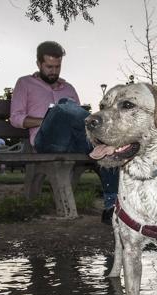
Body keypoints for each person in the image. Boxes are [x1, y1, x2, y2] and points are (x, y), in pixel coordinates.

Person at [9, 41, 118, 224]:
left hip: (73, 141)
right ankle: (97, 128)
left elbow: (77, 120)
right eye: (49, 66)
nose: (53, 71)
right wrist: (49, 119)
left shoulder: (69, 88)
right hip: (46, 140)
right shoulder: (24, 83)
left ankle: (111, 207)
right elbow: (16, 118)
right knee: (64, 106)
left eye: (57, 67)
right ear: (39, 64)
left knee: (106, 150)